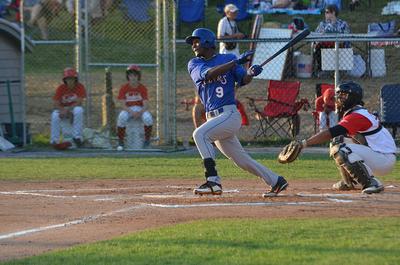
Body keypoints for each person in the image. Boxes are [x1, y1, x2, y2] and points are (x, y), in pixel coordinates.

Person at [185, 27, 288, 197]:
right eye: (193, 43)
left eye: (197, 41)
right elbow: (209, 74)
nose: (193, 45)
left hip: (229, 115)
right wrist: (236, 63)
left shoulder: (229, 58)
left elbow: (243, 80)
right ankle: (276, 180)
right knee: (242, 160)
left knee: (199, 134)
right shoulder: (195, 63)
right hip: (214, 117)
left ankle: (213, 181)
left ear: (207, 42)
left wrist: (250, 73)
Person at [297, 81, 396, 194]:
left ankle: (371, 183)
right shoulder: (357, 112)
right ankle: (350, 182)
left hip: (383, 159)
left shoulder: (357, 115)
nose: (339, 99)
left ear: (353, 98)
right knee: (338, 141)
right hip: (378, 154)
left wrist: (304, 143)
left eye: (344, 95)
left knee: (341, 149)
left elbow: (331, 132)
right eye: (339, 95)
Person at [116, 65, 153, 150]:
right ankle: (120, 141)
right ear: (128, 76)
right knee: (122, 117)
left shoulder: (142, 88)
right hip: (128, 109)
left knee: (148, 118)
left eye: (135, 75)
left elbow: (146, 104)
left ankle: (147, 141)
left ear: (138, 76)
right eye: (131, 75)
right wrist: (132, 112)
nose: (133, 77)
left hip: (140, 109)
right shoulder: (124, 88)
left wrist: (139, 113)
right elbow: (122, 104)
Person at [51, 67, 86, 148]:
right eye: (68, 79)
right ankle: (54, 141)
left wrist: (68, 109)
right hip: (63, 109)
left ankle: (77, 137)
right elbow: (56, 103)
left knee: (79, 110)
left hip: (73, 108)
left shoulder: (80, 86)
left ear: (75, 79)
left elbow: (79, 101)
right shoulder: (61, 88)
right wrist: (62, 110)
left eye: (72, 79)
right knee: (54, 115)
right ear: (65, 80)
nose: (70, 80)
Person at [313, 4, 351, 76]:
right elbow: (316, 36)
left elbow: (347, 37)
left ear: (333, 13)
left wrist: (333, 24)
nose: (325, 14)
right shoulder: (322, 24)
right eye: (325, 12)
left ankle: (339, 71)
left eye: (327, 12)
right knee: (317, 46)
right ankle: (321, 70)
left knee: (340, 44)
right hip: (324, 45)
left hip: (339, 45)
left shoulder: (343, 24)